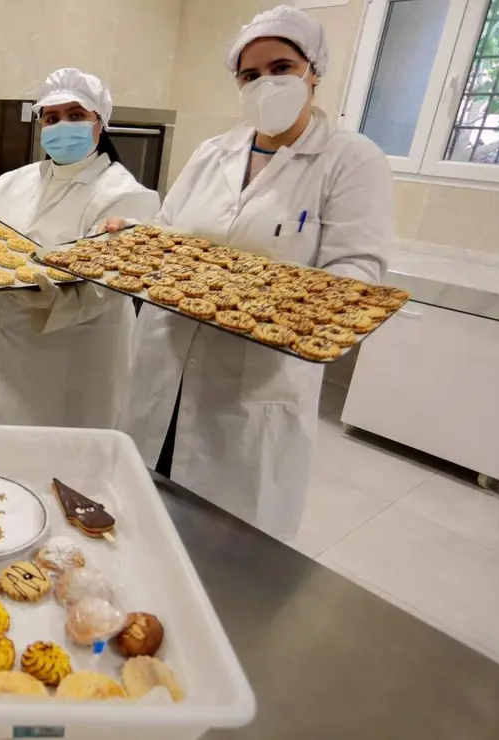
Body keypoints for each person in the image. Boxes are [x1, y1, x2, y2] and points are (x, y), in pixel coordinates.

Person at [115, 6, 393, 539]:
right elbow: (170, 232)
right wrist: (132, 234)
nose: (266, 83)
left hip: (252, 383)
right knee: (145, 512)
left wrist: (262, 294)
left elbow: (358, 272)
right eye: (250, 74)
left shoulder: (350, 160)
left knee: (226, 539)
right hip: (166, 361)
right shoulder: (211, 152)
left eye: (282, 67)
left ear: (314, 70)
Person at [0, 68, 160, 428]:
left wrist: (51, 299)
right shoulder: (10, 183)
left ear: (100, 123)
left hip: (69, 355)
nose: (62, 125)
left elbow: (111, 286)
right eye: (52, 118)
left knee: (54, 462)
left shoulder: (124, 195)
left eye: (77, 116)